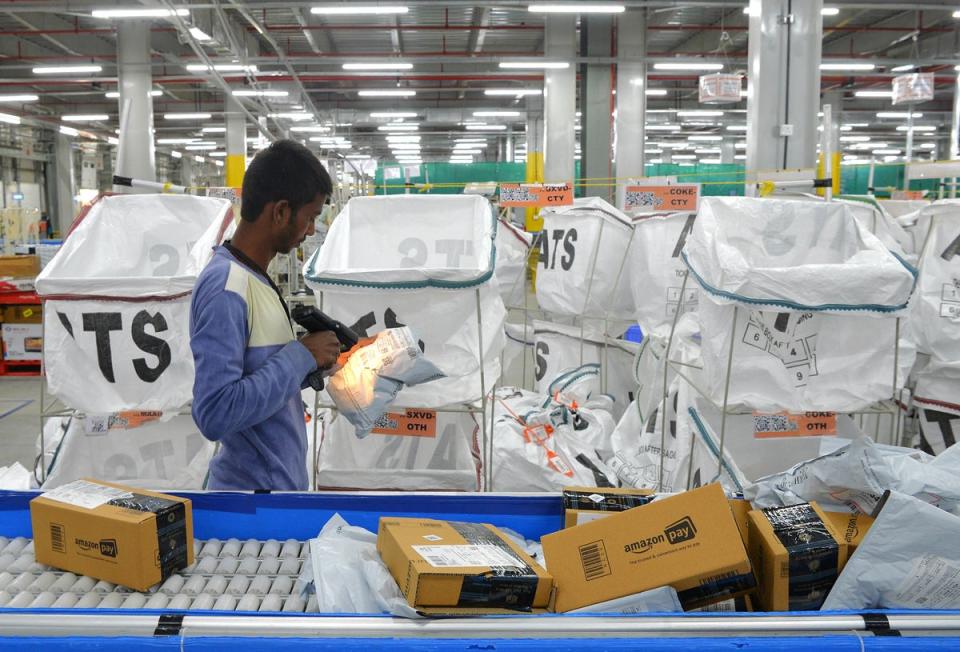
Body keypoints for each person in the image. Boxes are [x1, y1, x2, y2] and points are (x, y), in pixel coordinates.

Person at [190, 140, 341, 490]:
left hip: (274, 490)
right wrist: (299, 356)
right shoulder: (226, 288)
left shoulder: (254, 278)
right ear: (281, 212)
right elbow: (215, 413)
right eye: (311, 217)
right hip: (250, 500)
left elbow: (257, 382)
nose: (310, 231)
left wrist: (309, 365)